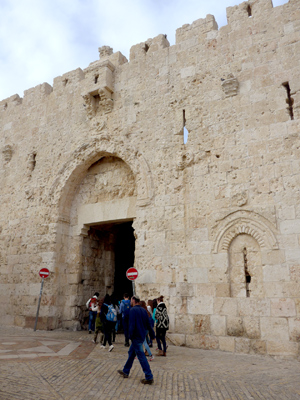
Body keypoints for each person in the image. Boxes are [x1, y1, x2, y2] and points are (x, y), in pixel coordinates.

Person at [118, 296, 155, 385]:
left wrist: (130, 336)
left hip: (136, 336)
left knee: (141, 356)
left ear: (134, 300)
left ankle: (149, 376)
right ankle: (126, 371)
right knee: (131, 353)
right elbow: (149, 324)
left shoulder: (133, 310)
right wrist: (152, 334)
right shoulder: (143, 310)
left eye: (131, 300)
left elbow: (132, 325)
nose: (130, 302)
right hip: (141, 335)